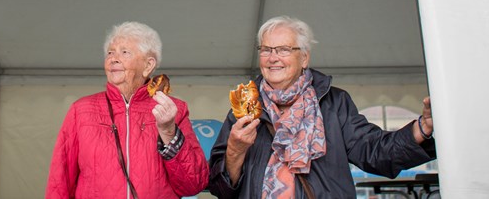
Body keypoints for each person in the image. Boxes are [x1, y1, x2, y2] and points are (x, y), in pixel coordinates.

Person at [208, 16, 436, 198]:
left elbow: (374, 152)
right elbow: (220, 188)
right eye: (266, 49)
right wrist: (235, 150)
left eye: (284, 49)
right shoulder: (244, 106)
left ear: (304, 58)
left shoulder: (334, 102)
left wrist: (421, 129)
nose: (272, 57)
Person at [46, 21, 209, 198]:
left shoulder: (173, 109)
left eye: (125, 52)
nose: (113, 58)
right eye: (110, 52)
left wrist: (169, 131)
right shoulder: (81, 111)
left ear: (148, 65)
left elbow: (194, 184)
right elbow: (59, 180)